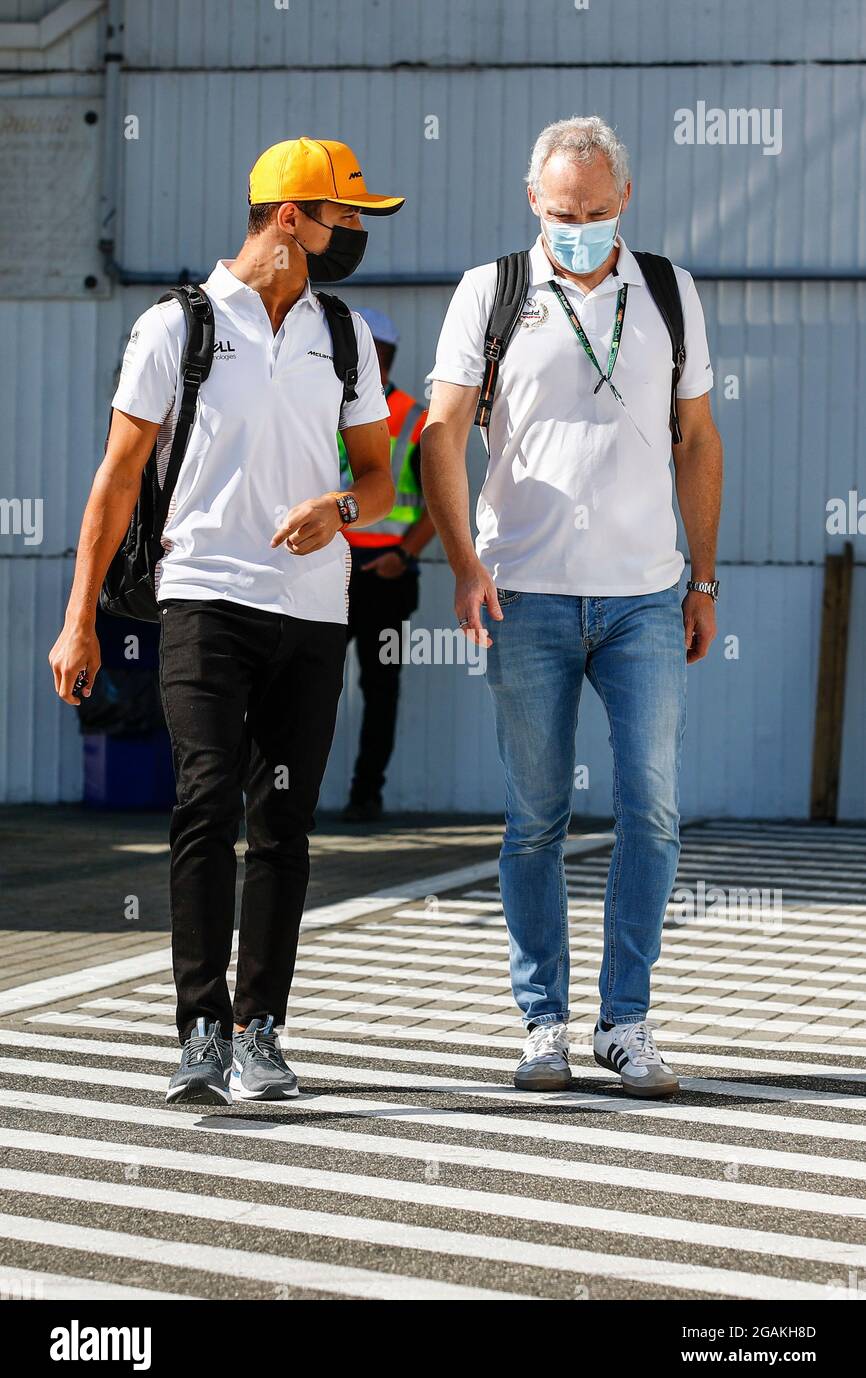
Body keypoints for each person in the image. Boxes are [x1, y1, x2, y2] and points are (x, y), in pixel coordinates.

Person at [49, 137, 404, 1106]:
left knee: (282, 818)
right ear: (289, 218)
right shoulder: (176, 328)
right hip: (203, 597)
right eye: (348, 217)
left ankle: (263, 1031)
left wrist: (337, 509)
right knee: (204, 804)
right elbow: (117, 479)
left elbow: (377, 477)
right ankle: (200, 1028)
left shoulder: (339, 336)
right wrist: (78, 619)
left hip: (311, 611)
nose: (358, 236)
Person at [422, 116, 722, 1097]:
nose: (579, 228)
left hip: (643, 596)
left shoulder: (668, 291)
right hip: (525, 595)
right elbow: (442, 431)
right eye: (560, 214)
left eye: (594, 213)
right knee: (535, 816)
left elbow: (696, 440)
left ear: (622, 200)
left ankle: (623, 1021)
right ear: (531, 201)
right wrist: (464, 562)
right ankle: (541, 1022)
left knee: (653, 808)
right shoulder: (492, 291)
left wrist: (704, 578)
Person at [338, 308, 435, 820]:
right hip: (326, 572)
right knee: (308, 687)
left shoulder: (416, 420)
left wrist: (404, 555)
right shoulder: (321, 410)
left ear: (379, 356)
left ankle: (365, 794)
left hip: (384, 576)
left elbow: (443, 506)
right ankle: (291, 795)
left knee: (380, 689)